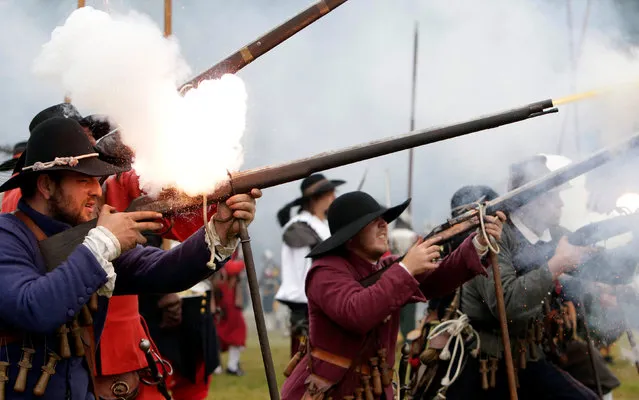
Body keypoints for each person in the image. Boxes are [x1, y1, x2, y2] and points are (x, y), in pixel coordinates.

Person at [0, 117, 260, 400]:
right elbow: (34, 308)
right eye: (83, 180)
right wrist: (103, 243)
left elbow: (163, 269)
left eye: (97, 181)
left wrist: (218, 231)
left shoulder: (82, 238)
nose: (96, 191)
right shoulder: (7, 237)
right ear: (46, 186)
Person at [280, 191, 505, 399]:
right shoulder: (325, 271)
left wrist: (477, 244)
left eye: (383, 220)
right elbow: (357, 313)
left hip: (374, 389)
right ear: (350, 236)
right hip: (330, 390)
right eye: (373, 221)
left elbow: (438, 279)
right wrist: (406, 269)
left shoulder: (383, 268)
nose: (383, 225)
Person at [445, 154, 617, 400]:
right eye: (554, 195)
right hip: (484, 363)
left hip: (527, 357)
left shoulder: (552, 234)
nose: (561, 204)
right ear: (532, 200)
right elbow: (508, 304)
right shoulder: (492, 237)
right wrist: (557, 263)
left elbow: (605, 267)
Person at [275, 173, 345, 358]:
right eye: (330, 194)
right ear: (316, 198)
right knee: (304, 362)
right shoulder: (298, 227)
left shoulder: (321, 224)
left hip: (322, 299)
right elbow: (303, 269)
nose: (334, 199)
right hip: (306, 302)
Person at [214, 249, 248, 376]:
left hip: (229, 299)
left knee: (236, 332)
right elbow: (230, 268)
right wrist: (241, 263)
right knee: (221, 333)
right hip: (224, 299)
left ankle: (231, 365)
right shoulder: (223, 253)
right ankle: (223, 366)